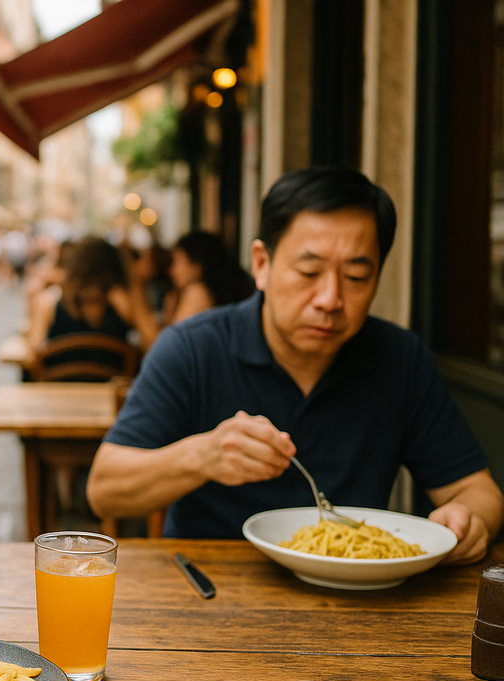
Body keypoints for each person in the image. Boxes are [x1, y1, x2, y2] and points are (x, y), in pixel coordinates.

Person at [87, 166, 502, 563]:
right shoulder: (192, 350)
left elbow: (476, 488)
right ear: (262, 264)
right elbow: (105, 490)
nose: (330, 299)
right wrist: (203, 456)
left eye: (356, 278)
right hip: (205, 597)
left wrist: (468, 519)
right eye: (309, 271)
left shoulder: (400, 359)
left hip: (359, 603)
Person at [126, 231, 255, 349]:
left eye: (177, 261)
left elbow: (165, 348)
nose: (172, 270)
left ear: (197, 265)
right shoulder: (195, 293)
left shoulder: (198, 293)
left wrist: (136, 287)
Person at [27, 236, 133, 374]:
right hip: (108, 390)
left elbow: (33, 351)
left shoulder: (49, 303)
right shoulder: (122, 303)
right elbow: (149, 342)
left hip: (58, 390)